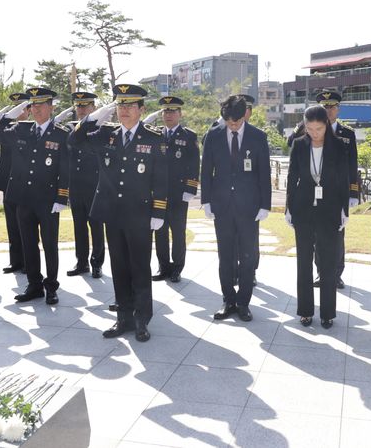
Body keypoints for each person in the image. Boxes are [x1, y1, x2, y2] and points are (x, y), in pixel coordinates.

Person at [69, 84, 168, 342]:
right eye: (120, 105)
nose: (124, 110)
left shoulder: (153, 138)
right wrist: (94, 116)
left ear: (141, 109)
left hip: (140, 214)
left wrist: (158, 211)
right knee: (119, 266)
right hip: (113, 213)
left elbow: (161, 177)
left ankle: (142, 319)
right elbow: (74, 140)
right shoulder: (105, 135)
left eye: (130, 105)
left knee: (139, 267)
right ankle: (123, 317)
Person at [0, 87, 70, 305]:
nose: (37, 109)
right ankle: (34, 285)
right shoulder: (20, 129)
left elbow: (65, 168)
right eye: (33, 105)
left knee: (50, 245)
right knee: (28, 244)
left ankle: (51, 286)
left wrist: (61, 198)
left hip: (47, 200)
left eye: (42, 104)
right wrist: (8, 116)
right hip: (23, 199)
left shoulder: (61, 134)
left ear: (51, 107)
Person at [201, 95, 271, 323]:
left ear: (244, 116)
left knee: (248, 257)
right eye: (229, 122)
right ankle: (228, 300)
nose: (233, 126)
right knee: (225, 256)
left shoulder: (258, 137)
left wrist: (265, 205)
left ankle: (243, 303)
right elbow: (206, 170)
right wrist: (206, 201)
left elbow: (264, 173)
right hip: (222, 205)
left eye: (236, 122)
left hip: (249, 206)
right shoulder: (213, 136)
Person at [285, 105, 349, 328]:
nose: (314, 133)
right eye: (310, 128)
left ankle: (328, 313)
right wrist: (288, 208)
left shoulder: (339, 146)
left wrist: (344, 210)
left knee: (328, 264)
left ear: (326, 126)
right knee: (303, 262)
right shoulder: (299, 145)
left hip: (330, 209)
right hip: (303, 209)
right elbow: (292, 177)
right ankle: (305, 310)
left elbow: (343, 179)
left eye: (319, 128)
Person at [150, 96, 200, 283]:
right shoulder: (155, 135)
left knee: (178, 232)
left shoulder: (189, 136)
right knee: (159, 231)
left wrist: (190, 188)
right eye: (165, 111)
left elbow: (194, 164)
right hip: (158, 194)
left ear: (180, 114)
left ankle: (177, 268)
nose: (168, 115)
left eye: (172, 111)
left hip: (179, 193)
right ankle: (163, 266)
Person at [313, 91, 359, 290]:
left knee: (337, 234)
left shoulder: (347, 134)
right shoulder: (310, 130)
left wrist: (353, 193)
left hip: (338, 193)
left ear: (338, 109)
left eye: (331, 107)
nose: (328, 110)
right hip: (315, 191)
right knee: (317, 235)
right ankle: (321, 272)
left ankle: (337, 274)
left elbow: (352, 165)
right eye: (324, 107)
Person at [61, 92, 106, 278]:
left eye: (85, 106)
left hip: (94, 186)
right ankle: (81, 262)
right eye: (78, 106)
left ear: (93, 108)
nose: (81, 110)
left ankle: (97, 263)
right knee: (79, 226)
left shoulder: (101, 129)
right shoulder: (69, 129)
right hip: (76, 185)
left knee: (96, 226)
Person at [0, 92, 30, 275]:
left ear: (28, 111)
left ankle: (27, 261)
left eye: (21, 107)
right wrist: (4, 119)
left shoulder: (28, 129)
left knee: (24, 224)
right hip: (8, 181)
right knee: (11, 224)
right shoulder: (8, 128)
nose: (17, 110)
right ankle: (15, 261)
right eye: (14, 107)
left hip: (24, 183)